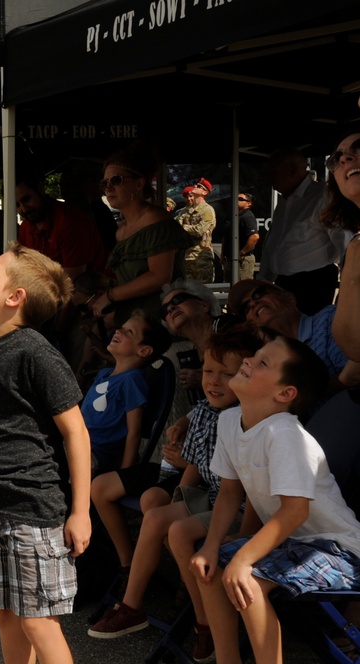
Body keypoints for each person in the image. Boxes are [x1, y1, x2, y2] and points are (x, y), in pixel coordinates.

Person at [89, 327, 263, 664]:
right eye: (209, 371)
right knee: (157, 516)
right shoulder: (208, 411)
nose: (214, 381)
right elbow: (197, 466)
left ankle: (203, 625)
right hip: (214, 498)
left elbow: (248, 490)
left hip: (243, 510)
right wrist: (183, 425)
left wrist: (243, 538)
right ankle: (133, 605)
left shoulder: (245, 420)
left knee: (177, 530)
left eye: (227, 375)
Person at [191, 335, 360, 664]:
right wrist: (211, 546)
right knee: (208, 568)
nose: (248, 361)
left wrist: (244, 559)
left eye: (263, 362)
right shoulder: (229, 421)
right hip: (292, 542)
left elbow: (295, 512)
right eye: (255, 355)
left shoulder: (284, 434)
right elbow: (229, 493)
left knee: (248, 580)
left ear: (285, 394)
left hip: (339, 548)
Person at [0, 245, 91, 664]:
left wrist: (81, 511)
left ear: (14, 297)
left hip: (33, 511)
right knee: (5, 616)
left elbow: (76, 433)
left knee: (38, 622)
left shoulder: (37, 353)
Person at [89, 142, 195, 327]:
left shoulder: (156, 220)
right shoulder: (121, 230)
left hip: (161, 321)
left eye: (116, 180)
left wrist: (111, 296)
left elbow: (159, 277)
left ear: (139, 183)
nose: (108, 188)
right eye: (104, 183)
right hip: (134, 322)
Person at [258, 148, 350, 314]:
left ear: (292, 171)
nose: (269, 178)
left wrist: (348, 286)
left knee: (308, 335)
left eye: (273, 172)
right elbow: (273, 244)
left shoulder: (323, 196)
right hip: (283, 283)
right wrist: (262, 283)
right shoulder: (285, 202)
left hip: (313, 284)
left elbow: (344, 243)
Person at [83, 311, 172, 475]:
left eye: (129, 332)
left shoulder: (132, 380)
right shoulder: (104, 374)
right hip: (78, 442)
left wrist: (124, 475)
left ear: (144, 351)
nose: (118, 331)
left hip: (93, 455)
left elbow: (134, 432)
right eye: (122, 328)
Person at [227, 278, 359, 388]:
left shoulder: (328, 320)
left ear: (289, 298)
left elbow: (354, 376)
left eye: (258, 294)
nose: (253, 303)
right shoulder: (261, 357)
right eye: (245, 307)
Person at [15, 169, 107, 280]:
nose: (24, 209)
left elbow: (71, 280)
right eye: (17, 205)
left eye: (26, 199)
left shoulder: (69, 222)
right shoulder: (26, 227)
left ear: (41, 189)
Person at [321, 129, 360, 360]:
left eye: (358, 148)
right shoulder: (353, 248)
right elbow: (352, 345)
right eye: (336, 158)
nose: (344, 158)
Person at [174, 179, 217, 283]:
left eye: (199, 186)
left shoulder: (207, 210)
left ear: (204, 192)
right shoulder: (185, 211)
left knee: (202, 290)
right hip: (186, 256)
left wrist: (184, 227)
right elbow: (175, 227)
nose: (195, 186)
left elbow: (200, 230)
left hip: (201, 257)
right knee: (187, 290)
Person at [223, 192, 260, 282]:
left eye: (240, 199)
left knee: (241, 289)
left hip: (242, 260)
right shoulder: (234, 216)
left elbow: (254, 237)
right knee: (230, 289)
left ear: (249, 203)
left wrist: (242, 253)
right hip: (230, 260)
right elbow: (226, 237)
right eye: (235, 199)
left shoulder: (247, 216)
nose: (236, 201)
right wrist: (222, 255)